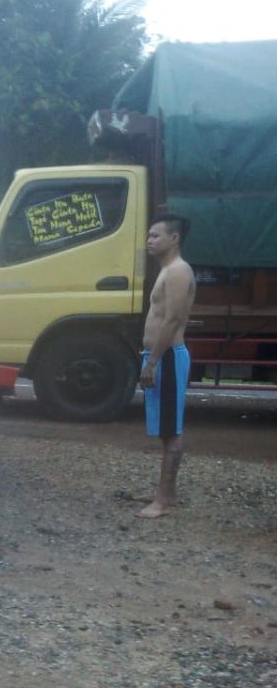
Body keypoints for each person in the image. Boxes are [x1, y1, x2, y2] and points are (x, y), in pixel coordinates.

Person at [137, 214, 196, 519]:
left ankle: (163, 500)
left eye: (156, 235)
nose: (150, 240)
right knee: (164, 427)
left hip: (168, 357)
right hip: (160, 357)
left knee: (172, 430)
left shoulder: (177, 272)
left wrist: (154, 361)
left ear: (174, 239)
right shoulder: (166, 271)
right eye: (149, 235)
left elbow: (172, 320)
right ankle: (166, 491)